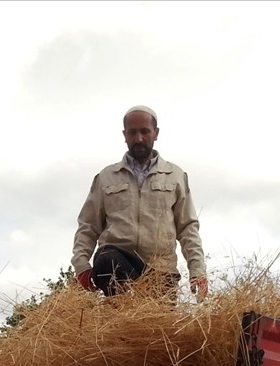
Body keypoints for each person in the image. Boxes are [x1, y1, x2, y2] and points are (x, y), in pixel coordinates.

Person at [71, 105, 209, 298]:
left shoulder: (175, 176)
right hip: (118, 266)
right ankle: (120, 307)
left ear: (156, 133)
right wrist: (81, 265)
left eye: (145, 131)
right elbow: (88, 225)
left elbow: (187, 228)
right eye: (132, 132)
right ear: (124, 135)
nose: (139, 139)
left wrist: (198, 271)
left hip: (161, 273)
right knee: (105, 259)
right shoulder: (106, 177)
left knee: (159, 327)